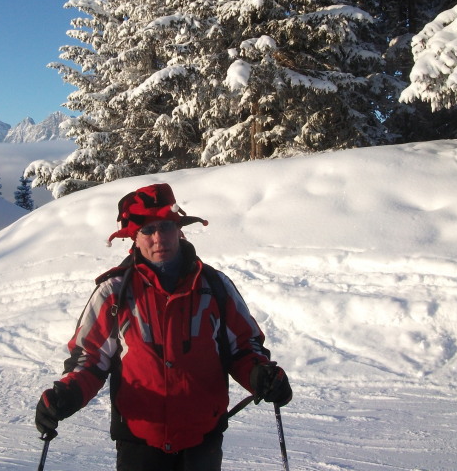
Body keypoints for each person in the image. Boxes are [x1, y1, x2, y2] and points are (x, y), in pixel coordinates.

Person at [35, 183, 292, 470]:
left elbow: (244, 347)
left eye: (166, 226)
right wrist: (66, 394)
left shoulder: (214, 286)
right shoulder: (114, 292)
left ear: (179, 230)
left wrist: (260, 374)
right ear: (134, 237)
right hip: (139, 442)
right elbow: (90, 358)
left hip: (202, 441)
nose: (159, 238)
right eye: (148, 230)